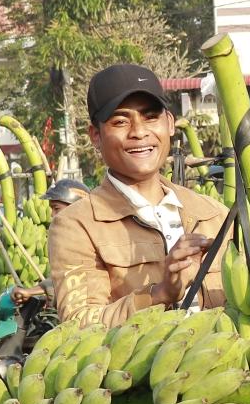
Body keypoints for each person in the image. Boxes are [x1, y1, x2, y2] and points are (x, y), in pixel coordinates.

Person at [50, 64, 229, 326]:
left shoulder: (212, 215)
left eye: (150, 117)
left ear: (169, 124)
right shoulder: (76, 226)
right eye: (121, 121)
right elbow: (79, 325)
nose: (139, 132)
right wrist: (158, 294)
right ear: (96, 136)